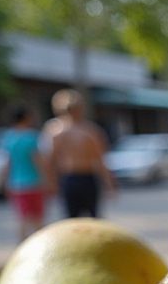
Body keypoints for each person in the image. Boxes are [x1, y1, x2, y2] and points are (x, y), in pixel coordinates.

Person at [44, 89, 115, 218]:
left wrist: (109, 182)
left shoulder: (90, 130)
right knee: (72, 220)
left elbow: (100, 159)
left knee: (92, 218)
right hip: (69, 178)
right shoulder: (56, 131)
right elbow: (50, 160)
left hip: (86, 176)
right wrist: (51, 182)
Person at [1, 105, 47, 240]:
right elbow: (38, 160)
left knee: (22, 219)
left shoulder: (9, 137)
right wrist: (48, 179)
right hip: (34, 183)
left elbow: (7, 162)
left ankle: (21, 246)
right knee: (38, 219)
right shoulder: (31, 137)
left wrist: (5, 182)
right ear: (26, 117)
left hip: (16, 184)